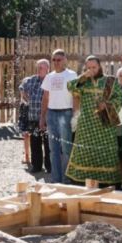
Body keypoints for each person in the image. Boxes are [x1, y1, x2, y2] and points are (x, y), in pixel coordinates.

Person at [66, 56, 122, 186]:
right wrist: (84, 76)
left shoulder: (110, 81)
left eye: (94, 67)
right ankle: (81, 182)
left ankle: (106, 184)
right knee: (84, 153)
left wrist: (107, 105)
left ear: (100, 67)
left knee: (106, 152)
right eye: (89, 68)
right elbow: (70, 87)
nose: (91, 70)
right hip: (86, 126)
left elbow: (119, 98)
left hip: (105, 127)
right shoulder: (83, 81)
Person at [40, 49, 77, 183]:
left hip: (66, 113)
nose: (56, 62)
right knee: (53, 149)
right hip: (51, 113)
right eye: (54, 60)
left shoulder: (72, 75)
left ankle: (67, 180)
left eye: (58, 59)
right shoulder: (49, 76)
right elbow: (45, 98)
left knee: (66, 149)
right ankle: (56, 179)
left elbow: (76, 96)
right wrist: (42, 117)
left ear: (65, 60)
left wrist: (75, 115)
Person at [19, 59, 51, 173]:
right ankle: (36, 166)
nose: (38, 70)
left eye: (41, 68)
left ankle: (49, 166)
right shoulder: (32, 80)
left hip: (47, 117)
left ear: (47, 69)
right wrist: (26, 98)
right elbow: (22, 88)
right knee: (35, 142)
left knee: (48, 143)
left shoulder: (51, 79)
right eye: (37, 68)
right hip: (33, 116)